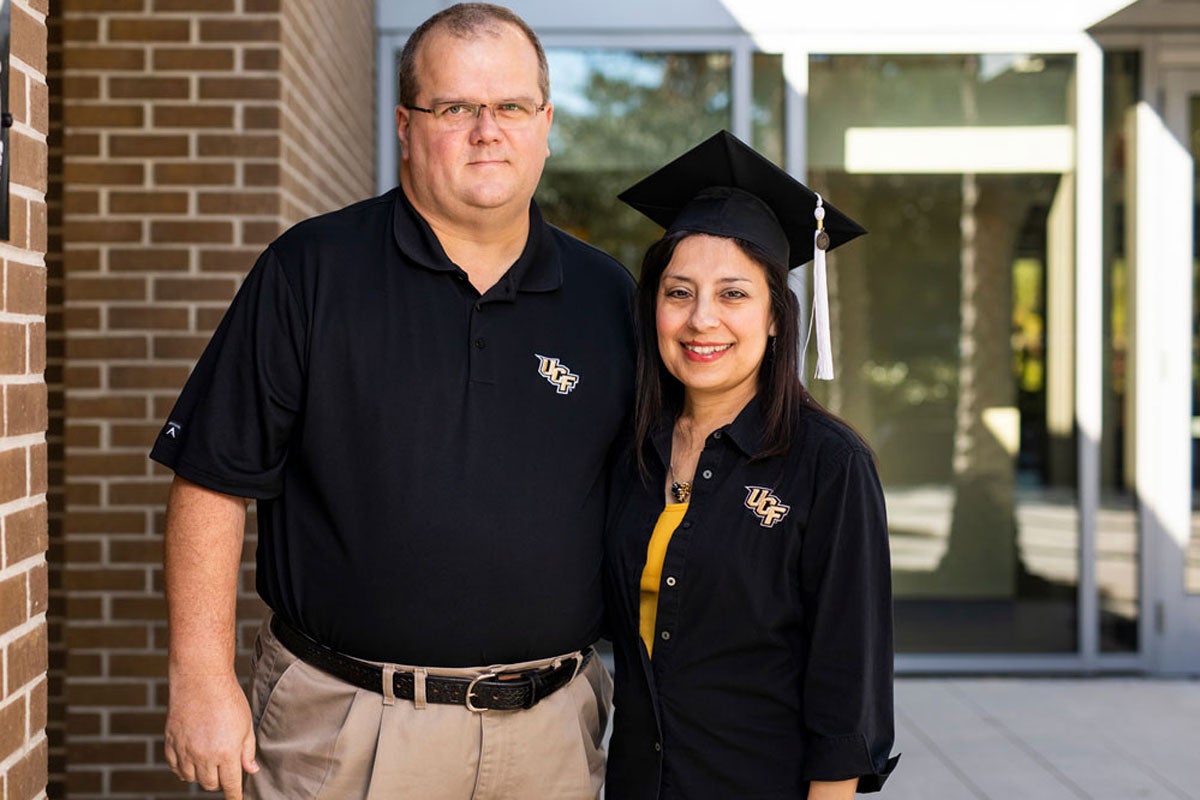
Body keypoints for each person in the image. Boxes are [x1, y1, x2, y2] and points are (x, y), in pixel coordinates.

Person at [150, 4, 635, 799]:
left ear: (545, 124)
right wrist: (200, 679)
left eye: (511, 106)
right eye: (456, 108)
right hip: (348, 731)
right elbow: (211, 478)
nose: (488, 129)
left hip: (549, 736)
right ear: (406, 125)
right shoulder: (311, 272)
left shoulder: (606, 298)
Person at [602, 130, 900, 799]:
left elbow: (847, 698)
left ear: (773, 317)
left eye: (733, 294)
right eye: (679, 292)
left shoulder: (830, 467)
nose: (702, 319)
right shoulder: (633, 454)